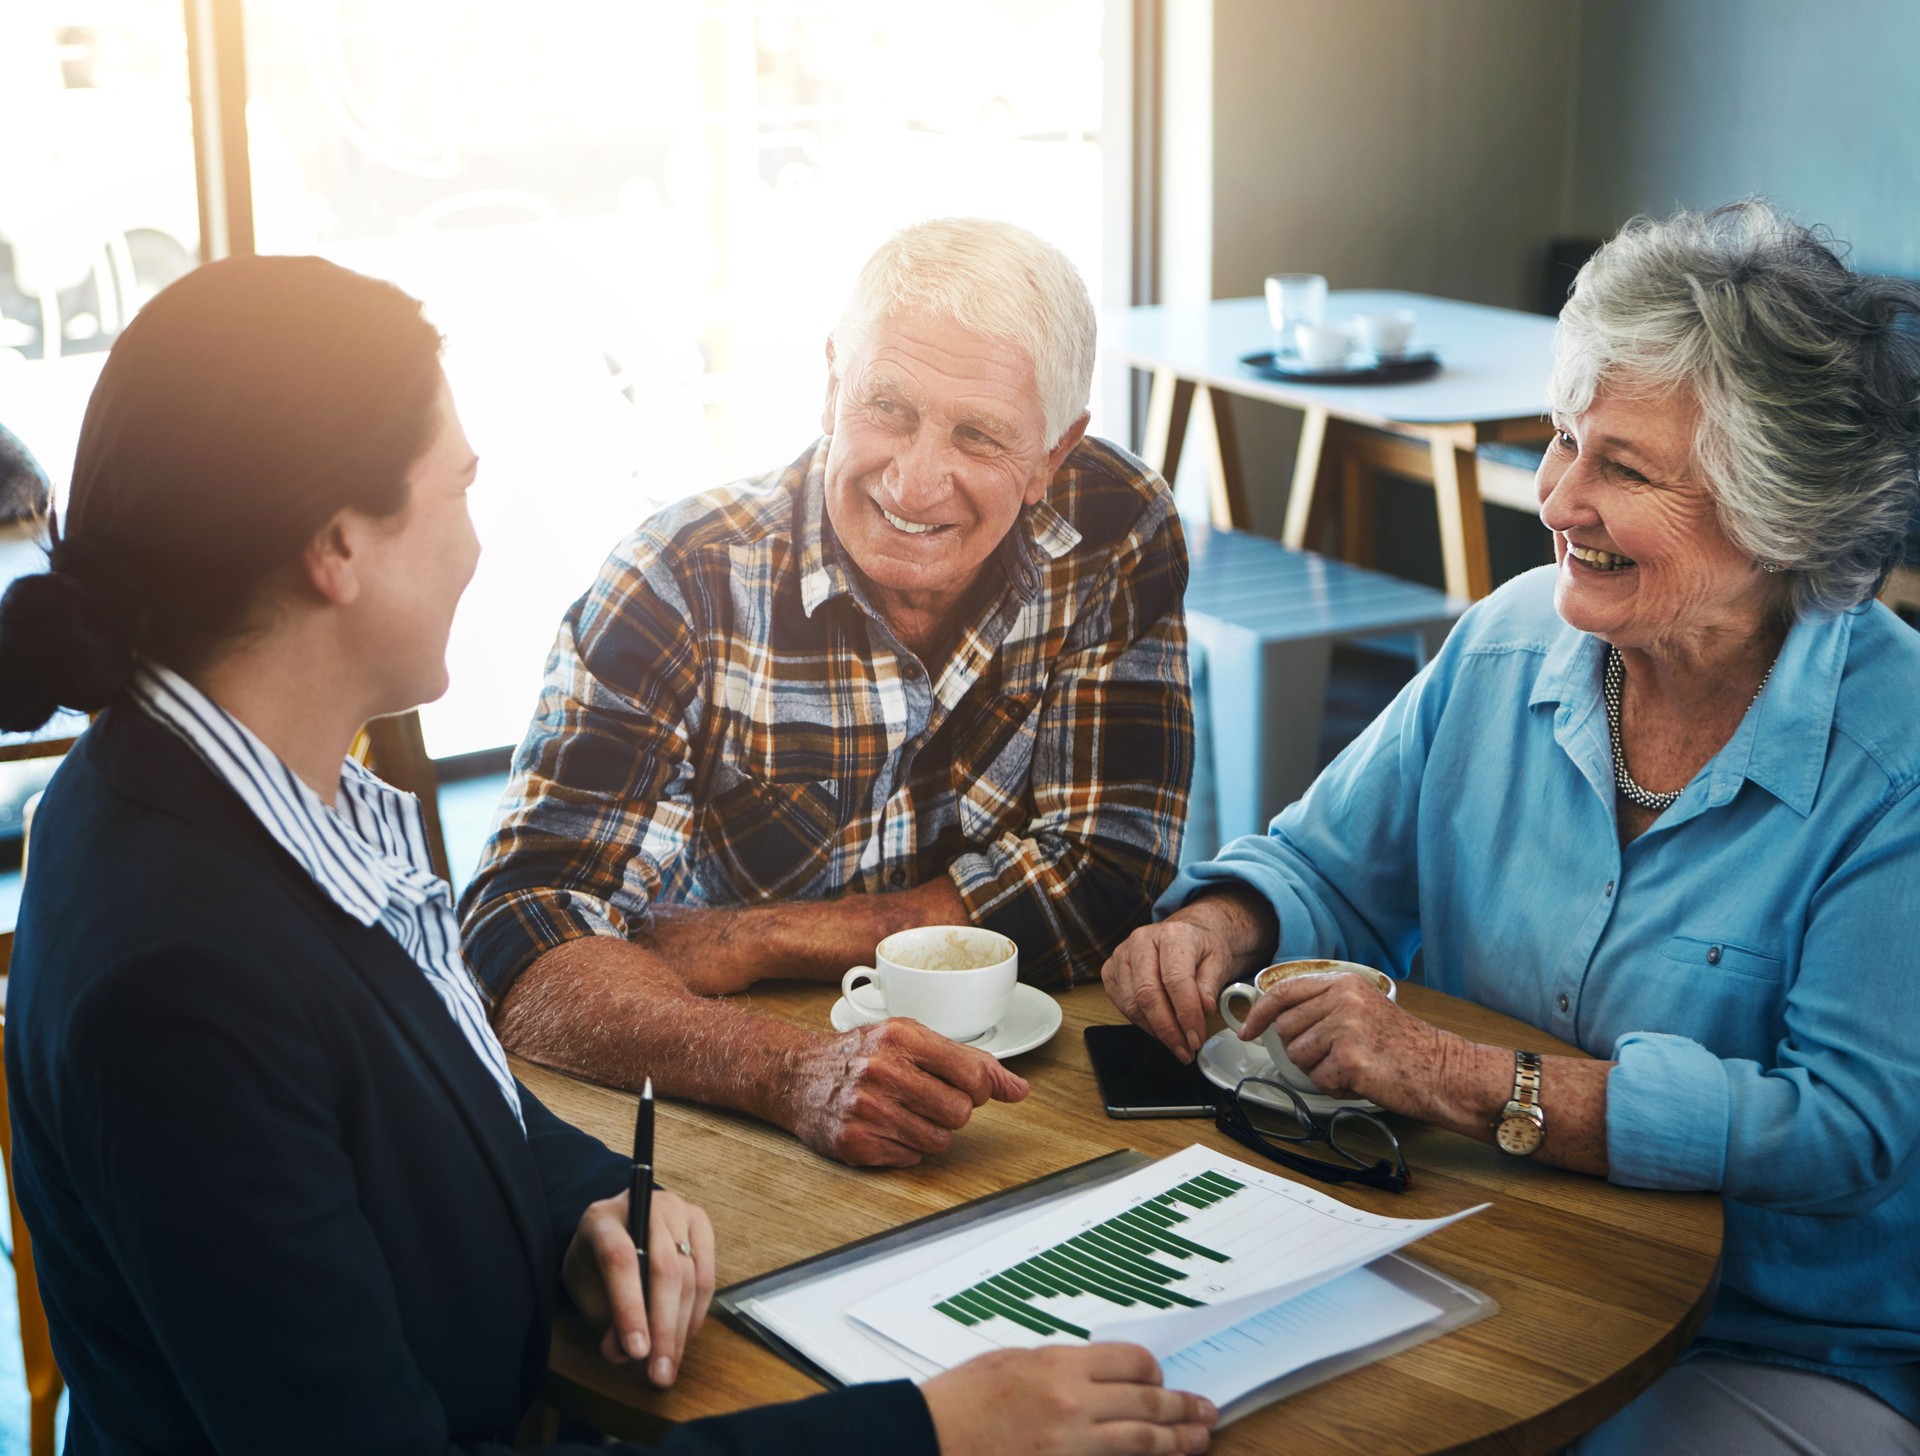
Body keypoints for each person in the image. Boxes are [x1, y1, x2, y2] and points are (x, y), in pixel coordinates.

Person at [0, 255, 1216, 1456]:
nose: (479, 545)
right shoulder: (185, 976)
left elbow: (429, 1106)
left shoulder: (227, 810)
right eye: (461, 487)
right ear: (338, 547)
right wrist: (931, 1431)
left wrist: (576, 1200)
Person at [1101, 200, 1920, 1455]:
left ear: (1780, 515)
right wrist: (1226, 917)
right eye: (1559, 440)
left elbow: (1842, 1130)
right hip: (1471, 1246)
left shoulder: (1896, 759)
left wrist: (1467, 1079)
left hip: (1777, 1334)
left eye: (1622, 469)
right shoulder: (1511, 635)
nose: (1555, 498)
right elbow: (1325, 862)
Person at [459, 219, 1193, 1168]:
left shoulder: (1114, 526)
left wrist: (759, 937)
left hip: (1018, 1085)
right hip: (713, 1090)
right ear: (832, 384)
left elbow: (1111, 866)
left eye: (978, 434)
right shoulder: (679, 579)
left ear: (1056, 451)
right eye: (888, 408)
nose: (916, 481)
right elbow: (522, 936)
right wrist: (795, 1073)